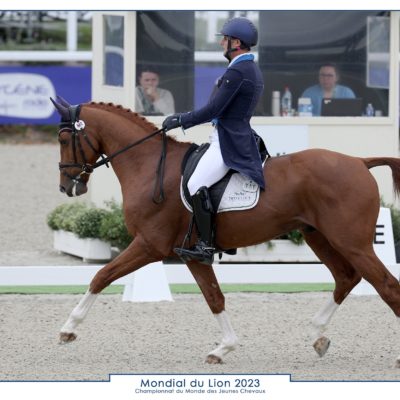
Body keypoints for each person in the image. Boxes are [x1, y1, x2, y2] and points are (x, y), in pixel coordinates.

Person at [162, 17, 264, 266]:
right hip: (226, 135)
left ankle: (206, 245)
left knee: (196, 183)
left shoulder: (239, 70)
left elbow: (213, 109)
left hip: (229, 141)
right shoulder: (246, 68)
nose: (221, 42)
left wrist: (180, 119)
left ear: (236, 43)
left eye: (225, 39)